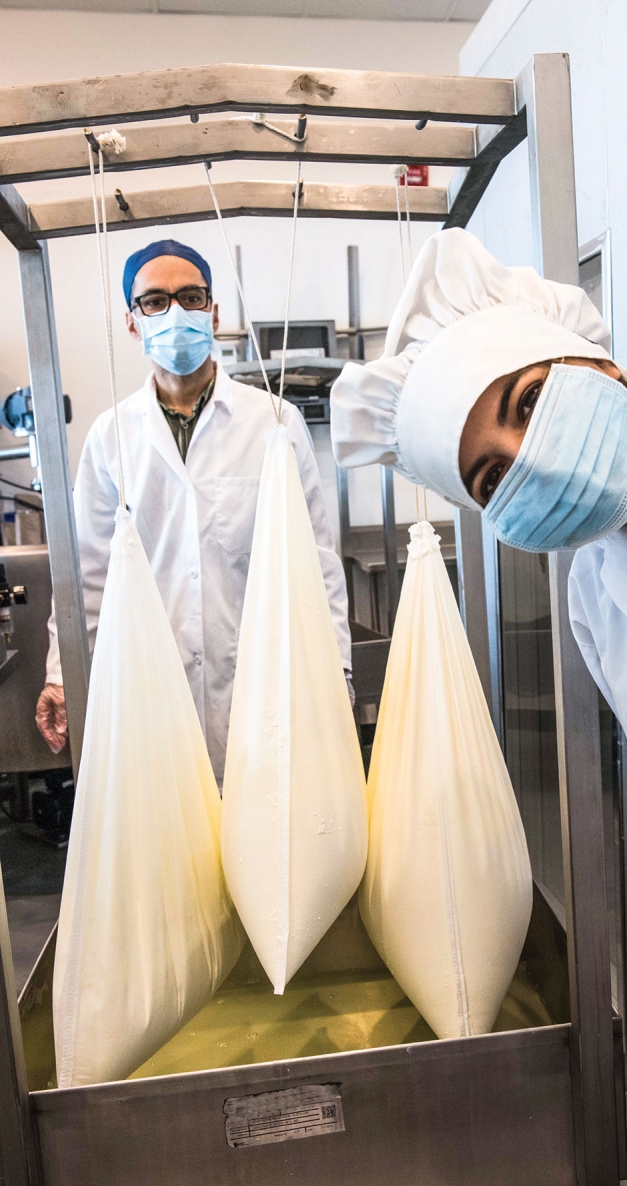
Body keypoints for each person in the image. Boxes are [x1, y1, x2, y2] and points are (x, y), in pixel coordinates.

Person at [330, 228, 627, 1186]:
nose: (527, 457)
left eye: (527, 402)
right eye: (490, 478)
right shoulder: (597, 592)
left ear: (597, 363)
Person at [37, 238, 351, 785]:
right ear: (133, 322)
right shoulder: (111, 436)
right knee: (167, 819)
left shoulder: (274, 420)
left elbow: (318, 558)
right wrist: (62, 674)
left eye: (190, 297)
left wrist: (338, 669)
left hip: (260, 676)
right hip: (150, 682)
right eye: (155, 301)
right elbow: (89, 572)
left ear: (214, 312)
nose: (176, 312)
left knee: (265, 817)